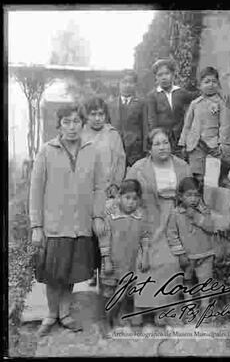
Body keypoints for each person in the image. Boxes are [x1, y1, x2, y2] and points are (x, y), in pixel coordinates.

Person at [29, 103, 106, 337]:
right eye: (66, 122)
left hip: (80, 225)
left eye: (76, 122)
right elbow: (36, 189)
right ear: (59, 125)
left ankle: (65, 313)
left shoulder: (92, 150)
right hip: (54, 225)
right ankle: (51, 314)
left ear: (82, 124)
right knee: (54, 275)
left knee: (71, 274)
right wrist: (36, 225)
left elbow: (99, 187)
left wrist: (98, 216)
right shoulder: (47, 150)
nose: (72, 127)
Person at [126, 128, 191, 326]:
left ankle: (165, 311)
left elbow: (191, 193)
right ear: (149, 148)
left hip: (175, 218)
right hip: (149, 217)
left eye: (165, 142)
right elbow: (128, 194)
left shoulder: (182, 166)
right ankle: (144, 308)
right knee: (148, 261)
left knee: (172, 261)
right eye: (157, 144)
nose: (162, 147)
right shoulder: (138, 168)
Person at [80, 97, 126, 286]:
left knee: (106, 229)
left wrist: (116, 184)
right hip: (87, 189)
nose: (97, 118)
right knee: (90, 231)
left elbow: (120, 159)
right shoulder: (81, 133)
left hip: (107, 190)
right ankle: (92, 270)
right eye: (93, 114)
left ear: (106, 115)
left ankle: (107, 269)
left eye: (101, 114)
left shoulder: (112, 134)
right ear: (86, 116)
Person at [98, 179, 150, 335]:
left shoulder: (140, 217)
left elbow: (144, 237)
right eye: (127, 198)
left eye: (134, 199)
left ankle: (119, 315)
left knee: (124, 292)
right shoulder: (111, 218)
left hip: (130, 263)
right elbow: (104, 240)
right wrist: (106, 259)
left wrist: (145, 255)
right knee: (109, 292)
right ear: (119, 197)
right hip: (112, 262)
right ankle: (106, 321)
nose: (131, 203)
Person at [178, 66, 230, 193]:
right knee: (197, 175)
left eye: (214, 81)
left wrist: (223, 142)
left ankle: (223, 178)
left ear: (218, 84)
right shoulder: (195, 103)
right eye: (207, 82)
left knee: (228, 157)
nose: (211, 85)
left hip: (213, 140)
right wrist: (183, 142)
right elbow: (187, 125)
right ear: (200, 86)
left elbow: (225, 124)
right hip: (196, 142)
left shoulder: (221, 102)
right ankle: (199, 200)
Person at [167, 176, 216, 321]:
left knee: (205, 281)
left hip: (206, 254)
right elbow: (172, 234)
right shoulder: (176, 214)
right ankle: (189, 308)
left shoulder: (204, 210)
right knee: (187, 281)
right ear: (180, 197)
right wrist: (180, 254)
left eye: (196, 195)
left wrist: (196, 216)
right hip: (187, 257)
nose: (193, 199)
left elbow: (211, 227)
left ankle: (205, 308)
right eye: (189, 195)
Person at [147, 58, 198, 158]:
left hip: (180, 138)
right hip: (163, 139)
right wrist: (157, 138)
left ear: (173, 75)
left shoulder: (180, 92)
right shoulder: (153, 95)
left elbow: (195, 97)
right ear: (156, 78)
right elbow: (152, 119)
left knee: (180, 165)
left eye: (167, 73)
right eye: (160, 75)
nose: (164, 77)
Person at [107, 69, 148, 168]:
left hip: (135, 150)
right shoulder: (110, 104)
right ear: (119, 84)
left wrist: (145, 148)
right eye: (124, 82)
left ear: (135, 85)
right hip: (115, 148)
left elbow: (145, 126)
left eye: (131, 82)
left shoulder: (141, 103)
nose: (127, 85)